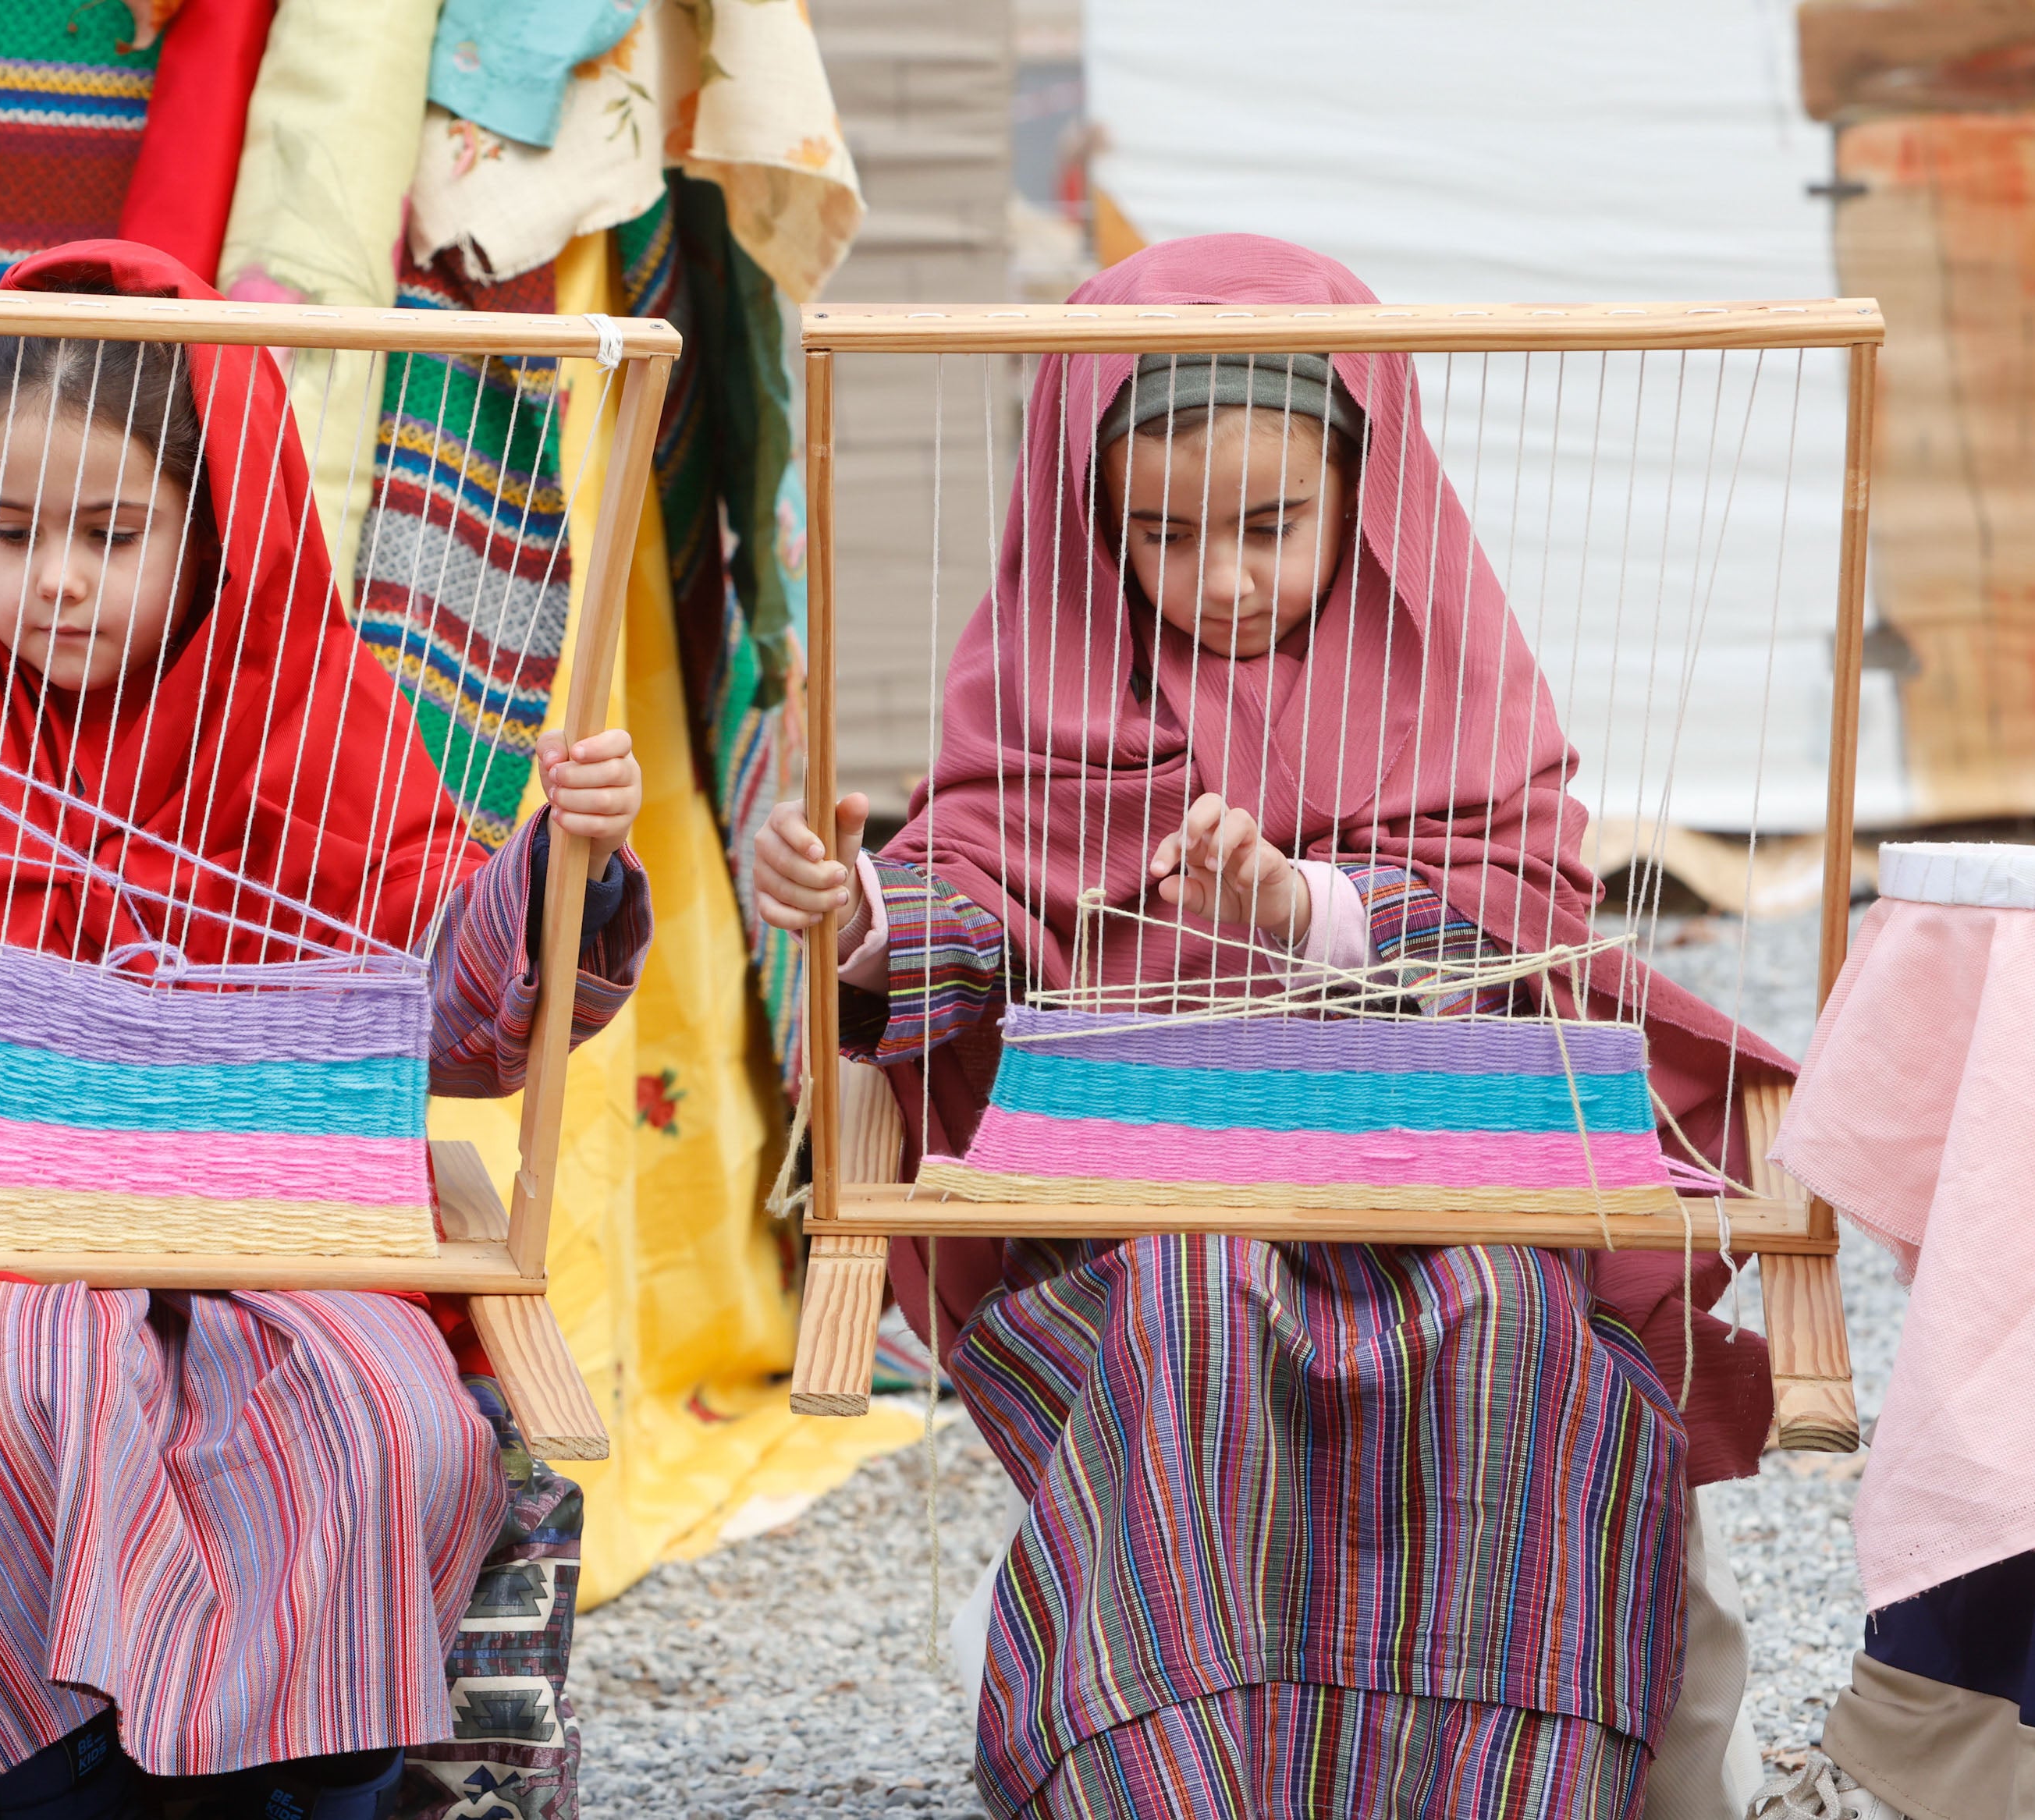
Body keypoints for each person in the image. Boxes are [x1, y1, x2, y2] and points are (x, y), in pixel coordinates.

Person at [755, 234, 1786, 1819]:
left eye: (1271, 526)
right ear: (1086, 516)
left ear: (1367, 484)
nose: (1221, 577)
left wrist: (1308, 913)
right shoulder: (1047, 680)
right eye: (1159, 534)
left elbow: (1527, 915)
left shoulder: (1453, 670)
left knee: (1512, 1336)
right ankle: (1175, 1779)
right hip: (1141, 1201)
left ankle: (1502, 1785)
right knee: (1197, 1314)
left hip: (1444, 1177)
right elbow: (975, 900)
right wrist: (862, 916)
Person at [0, 239, 651, 1820]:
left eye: (111, 534)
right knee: (32, 1399)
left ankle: (301, 1791)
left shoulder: (329, 723)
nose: (52, 576)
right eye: (10, 530)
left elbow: (460, 1021)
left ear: (220, 526)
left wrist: (555, 869)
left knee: (388, 1423)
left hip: (289, 1256)